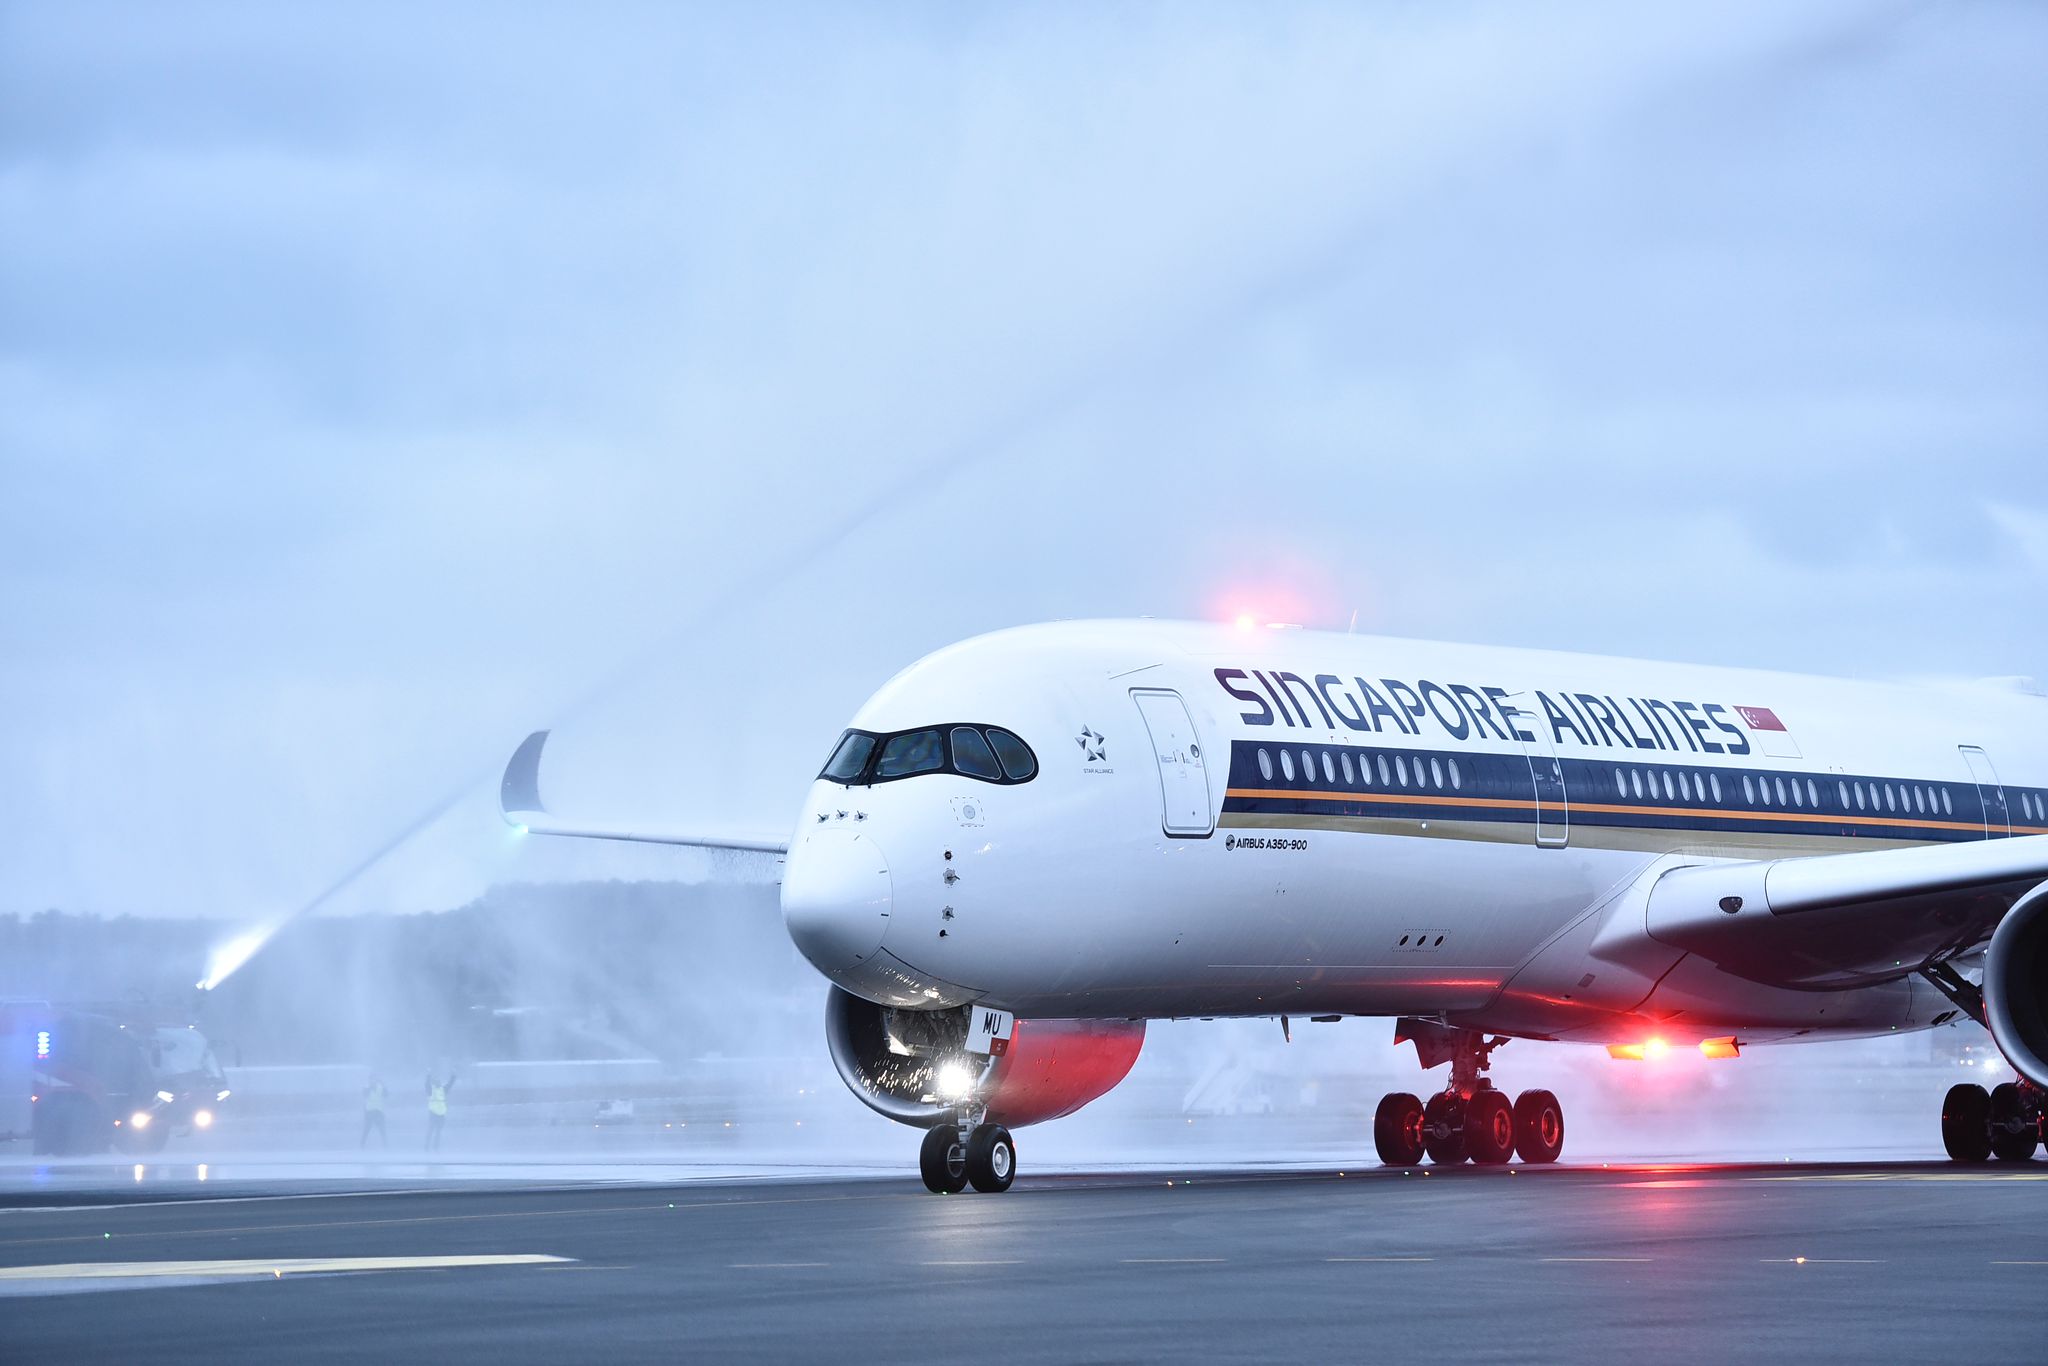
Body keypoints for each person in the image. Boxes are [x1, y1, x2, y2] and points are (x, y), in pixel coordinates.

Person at [424, 1071, 455, 1151]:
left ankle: (435, 1147)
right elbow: (426, 1085)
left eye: (439, 1081)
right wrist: (428, 1075)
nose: (439, 1082)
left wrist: (453, 1075)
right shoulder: (431, 1090)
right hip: (433, 1112)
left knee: (438, 1131)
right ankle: (426, 1147)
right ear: (434, 1082)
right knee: (431, 1131)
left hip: (441, 1113)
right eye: (436, 1081)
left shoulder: (443, 1089)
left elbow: (450, 1084)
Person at [360, 1075, 387, 1148]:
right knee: (366, 1129)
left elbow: (386, 1095)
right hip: (370, 1112)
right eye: (371, 1079)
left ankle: (386, 1145)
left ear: (376, 1080)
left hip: (379, 1111)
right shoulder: (366, 1087)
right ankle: (362, 1145)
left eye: (374, 1079)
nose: (373, 1081)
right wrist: (369, 1088)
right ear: (369, 1080)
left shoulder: (380, 1087)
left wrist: (384, 1086)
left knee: (382, 1129)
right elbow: (364, 1094)